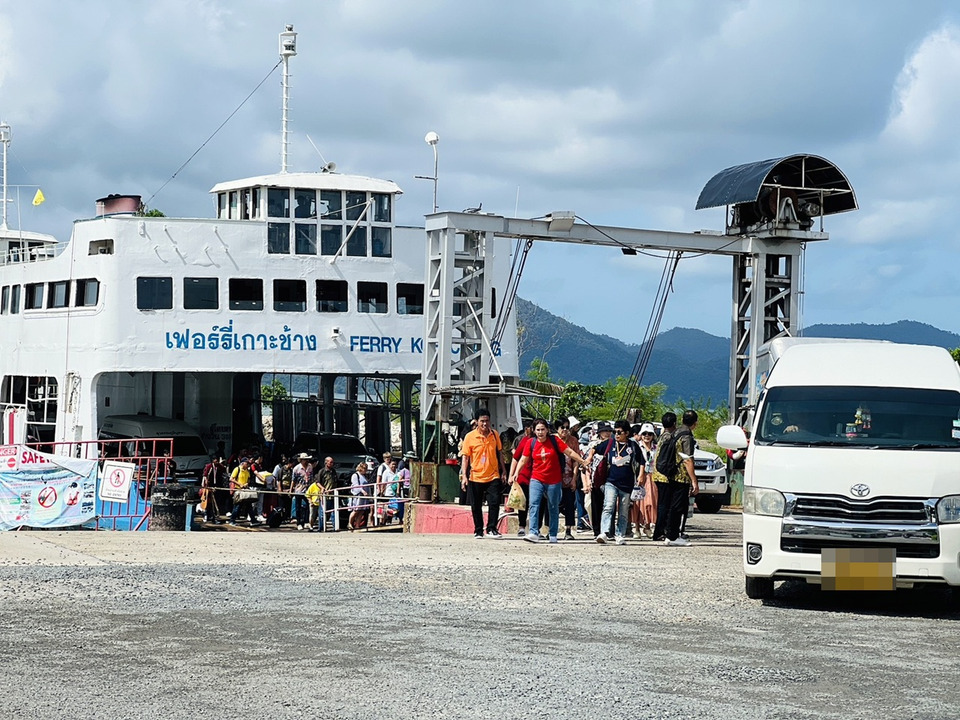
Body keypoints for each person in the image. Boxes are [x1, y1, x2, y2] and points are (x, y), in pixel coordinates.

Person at [514, 418, 589, 544]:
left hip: (553, 480)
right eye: (538, 430)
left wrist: (582, 461)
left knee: (553, 507)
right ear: (534, 430)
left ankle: (553, 534)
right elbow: (523, 459)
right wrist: (516, 473)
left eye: (543, 429)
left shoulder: (555, 441)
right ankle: (533, 532)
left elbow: (570, 452)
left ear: (547, 430)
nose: (540, 432)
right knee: (534, 504)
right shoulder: (531, 442)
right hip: (536, 478)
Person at [653, 410, 699, 546]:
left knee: (671, 506)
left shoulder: (675, 433)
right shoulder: (686, 436)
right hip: (681, 476)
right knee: (677, 507)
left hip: (670, 474)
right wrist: (694, 481)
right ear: (695, 423)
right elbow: (688, 460)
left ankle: (669, 534)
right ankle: (673, 536)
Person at [459, 408, 506, 539]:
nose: (485, 424)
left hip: (493, 475)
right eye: (482, 421)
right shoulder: (470, 437)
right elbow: (466, 457)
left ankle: (492, 528)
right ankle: (478, 530)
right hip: (475, 476)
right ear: (477, 422)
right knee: (476, 505)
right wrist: (464, 476)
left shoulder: (495, 435)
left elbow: (500, 454)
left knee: (494, 503)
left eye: (487, 421)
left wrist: (504, 471)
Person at [595, 420, 643, 545]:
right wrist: (589, 458)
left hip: (627, 483)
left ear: (627, 433)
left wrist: (641, 475)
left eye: (619, 432)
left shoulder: (632, 445)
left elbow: (642, 461)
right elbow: (595, 449)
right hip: (611, 481)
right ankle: (604, 532)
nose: (616, 434)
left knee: (623, 510)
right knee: (609, 506)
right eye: (614, 431)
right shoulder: (610, 443)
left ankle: (620, 534)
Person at [584, 422, 614, 538]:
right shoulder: (593, 445)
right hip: (596, 478)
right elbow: (586, 463)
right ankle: (597, 530)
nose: (607, 433)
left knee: (609, 505)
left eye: (609, 431)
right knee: (596, 505)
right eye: (605, 431)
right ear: (599, 432)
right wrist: (587, 482)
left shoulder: (613, 444)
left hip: (610, 477)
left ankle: (608, 530)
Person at [508, 420, 536, 537]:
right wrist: (512, 474)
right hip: (523, 476)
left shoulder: (544, 441)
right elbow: (516, 458)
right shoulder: (524, 441)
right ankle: (522, 526)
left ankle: (536, 528)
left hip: (537, 476)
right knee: (522, 503)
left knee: (535, 503)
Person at [555, 419, 578, 541]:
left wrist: (574, 478)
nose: (565, 430)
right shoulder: (553, 440)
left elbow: (575, 462)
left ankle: (568, 530)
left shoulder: (573, 441)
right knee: (553, 505)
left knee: (569, 504)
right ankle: (550, 530)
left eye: (567, 427)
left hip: (568, 477)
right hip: (554, 478)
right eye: (562, 427)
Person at [634, 423, 658, 538]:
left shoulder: (656, 448)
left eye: (649, 434)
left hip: (651, 476)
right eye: (644, 434)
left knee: (650, 502)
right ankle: (637, 528)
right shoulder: (636, 446)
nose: (647, 436)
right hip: (639, 476)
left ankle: (647, 526)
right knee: (638, 502)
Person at [229, 457, 261, 526]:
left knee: (249, 505)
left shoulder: (247, 471)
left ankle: (253, 520)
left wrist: (247, 483)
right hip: (238, 490)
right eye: (247, 463)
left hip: (245, 490)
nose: (248, 465)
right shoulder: (237, 469)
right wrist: (239, 484)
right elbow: (231, 478)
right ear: (242, 463)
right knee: (237, 506)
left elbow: (248, 479)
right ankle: (232, 520)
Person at [200, 455, 226, 524]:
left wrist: (221, 464)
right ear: (213, 460)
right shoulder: (209, 467)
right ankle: (206, 515)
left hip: (217, 485)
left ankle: (213, 517)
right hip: (209, 486)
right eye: (215, 460)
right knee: (208, 502)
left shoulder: (219, 467)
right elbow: (205, 476)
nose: (216, 461)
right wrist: (206, 486)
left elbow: (224, 469)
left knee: (215, 503)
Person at [315, 456, 338, 531]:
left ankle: (335, 527)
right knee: (322, 513)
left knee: (333, 512)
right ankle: (321, 528)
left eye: (332, 462)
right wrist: (322, 488)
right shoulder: (322, 471)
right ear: (326, 462)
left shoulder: (333, 471)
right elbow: (317, 482)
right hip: (324, 495)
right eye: (330, 462)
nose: (332, 464)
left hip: (332, 495)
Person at [291, 452, 314, 531]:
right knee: (298, 507)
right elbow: (293, 480)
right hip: (298, 490)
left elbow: (311, 477)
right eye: (305, 460)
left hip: (307, 490)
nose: (307, 461)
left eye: (307, 459)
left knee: (308, 505)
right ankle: (299, 523)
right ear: (301, 460)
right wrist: (291, 490)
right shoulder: (296, 468)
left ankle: (306, 521)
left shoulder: (310, 467)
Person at [348, 461, 370, 531]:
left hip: (364, 496)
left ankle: (357, 526)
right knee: (356, 510)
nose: (366, 470)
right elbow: (356, 485)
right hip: (358, 495)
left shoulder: (364, 476)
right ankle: (350, 523)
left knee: (361, 511)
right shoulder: (355, 475)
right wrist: (362, 491)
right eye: (365, 469)